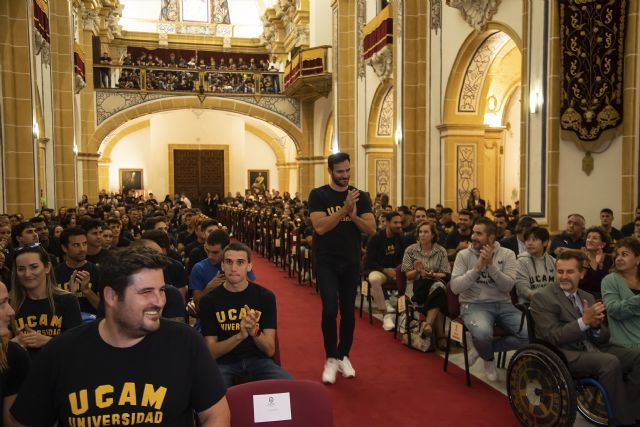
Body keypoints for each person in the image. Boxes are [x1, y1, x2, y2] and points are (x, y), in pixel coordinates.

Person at [10, 246, 230, 426]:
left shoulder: (185, 342)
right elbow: (22, 421)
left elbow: (215, 415)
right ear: (112, 296)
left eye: (161, 290)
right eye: (146, 292)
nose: (160, 301)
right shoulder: (61, 352)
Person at [531, 250, 640, 426]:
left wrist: (596, 327)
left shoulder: (587, 296)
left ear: (581, 273)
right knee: (609, 362)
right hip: (564, 354)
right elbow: (552, 336)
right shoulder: (543, 297)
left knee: (637, 356)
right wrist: (583, 322)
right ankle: (624, 421)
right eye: (560, 272)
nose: (564, 276)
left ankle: (632, 411)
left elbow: (604, 337)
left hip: (593, 349)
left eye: (570, 272)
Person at [308, 152, 375, 384]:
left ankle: (343, 355)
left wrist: (353, 216)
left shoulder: (360, 196)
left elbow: (371, 229)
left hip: (351, 261)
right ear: (330, 171)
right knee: (329, 309)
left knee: (348, 311)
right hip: (326, 261)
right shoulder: (318, 195)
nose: (345, 176)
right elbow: (320, 227)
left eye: (347, 171)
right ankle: (330, 358)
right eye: (340, 172)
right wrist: (344, 210)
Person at [200, 242, 292, 387]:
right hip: (224, 363)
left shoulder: (265, 297)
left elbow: (270, 350)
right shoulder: (208, 301)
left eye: (240, 262)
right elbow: (211, 352)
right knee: (209, 392)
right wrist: (240, 336)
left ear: (249, 266)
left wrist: (253, 331)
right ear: (222, 266)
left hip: (259, 361)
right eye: (229, 262)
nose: (233, 268)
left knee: (289, 387)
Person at [450, 218, 527, 381]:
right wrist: (477, 269)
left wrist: (491, 266)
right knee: (483, 334)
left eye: (479, 234)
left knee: (530, 334)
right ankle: (489, 358)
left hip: (503, 304)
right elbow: (455, 288)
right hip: (473, 305)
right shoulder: (463, 255)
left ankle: (482, 350)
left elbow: (507, 287)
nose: (473, 237)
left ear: (491, 237)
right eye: (473, 232)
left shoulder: (508, 254)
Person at [10, 244, 82, 359]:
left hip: (57, 370)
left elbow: (78, 345)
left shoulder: (67, 300)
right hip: (23, 373)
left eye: (34, 267)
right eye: (21, 269)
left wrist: (47, 341)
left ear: (47, 267)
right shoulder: (10, 304)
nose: (27, 274)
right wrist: (13, 344)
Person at [401, 221, 451, 350]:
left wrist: (433, 274)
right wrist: (417, 271)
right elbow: (408, 276)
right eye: (420, 232)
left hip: (434, 283)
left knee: (438, 288)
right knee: (440, 294)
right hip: (416, 288)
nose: (422, 235)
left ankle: (428, 325)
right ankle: (440, 336)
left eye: (426, 232)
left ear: (433, 235)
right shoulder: (411, 250)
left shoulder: (440, 251)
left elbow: (446, 274)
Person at [365, 211, 405, 331]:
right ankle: (386, 316)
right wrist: (385, 270)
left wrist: (397, 271)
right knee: (374, 279)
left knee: (412, 277)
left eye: (400, 222)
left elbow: (404, 258)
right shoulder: (376, 238)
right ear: (387, 223)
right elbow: (369, 261)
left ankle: (404, 315)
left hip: (396, 271)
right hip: (379, 270)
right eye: (395, 222)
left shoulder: (401, 238)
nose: (399, 225)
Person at [0, 280, 30, 427]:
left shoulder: (13, 356)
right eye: (1, 304)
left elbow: (12, 422)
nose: (11, 311)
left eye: (8, 302)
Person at [602, 237, 640, 349]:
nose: (618, 258)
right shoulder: (610, 280)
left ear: (638, 259)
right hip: (624, 345)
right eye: (617, 255)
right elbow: (615, 310)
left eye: (624, 254)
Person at [54, 228, 101, 316]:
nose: (82, 249)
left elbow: (102, 309)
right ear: (64, 248)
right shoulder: (55, 273)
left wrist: (86, 290)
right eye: (76, 245)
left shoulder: (96, 270)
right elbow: (53, 311)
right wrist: (71, 296)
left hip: (91, 323)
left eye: (84, 244)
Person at [514, 226, 555, 304]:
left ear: (545, 242)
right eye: (527, 240)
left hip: (552, 303)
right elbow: (522, 288)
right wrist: (540, 298)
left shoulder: (553, 261)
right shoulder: (521, 262)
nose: (529, 243)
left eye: (534, 240)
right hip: (529, 305)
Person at [580, 226, 613, 299]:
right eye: (588, 237)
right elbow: (579, 280)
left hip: (605, 298)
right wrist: (585, 263)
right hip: (583, 298)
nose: (589, 240)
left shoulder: (610, 259)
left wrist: (600, 264)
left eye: (594, 238)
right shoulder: (579, 258)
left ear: (603, 244)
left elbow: (609, 283)